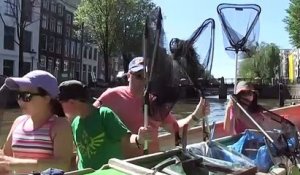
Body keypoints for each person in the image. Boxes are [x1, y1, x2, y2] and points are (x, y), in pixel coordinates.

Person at [93, 56, 210, 158]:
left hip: (155, 162)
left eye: (146, 76)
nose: (143, 81)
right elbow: (87, 117)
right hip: (128, 166)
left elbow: (175, 129)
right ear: (129, 76)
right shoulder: (112, 96)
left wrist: (196, 115)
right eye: (139, 76)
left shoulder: (155, 102)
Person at [58, 80, 153, 170]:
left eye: (61, 104)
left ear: (72, 102)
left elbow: (126, 140)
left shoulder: (104, 115)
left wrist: (139, 139)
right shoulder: (75, 123)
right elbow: (80, 153)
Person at [0, 70, 73, 174]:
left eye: (27, 96)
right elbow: (5, 158)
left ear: (46, 98)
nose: (20, 101)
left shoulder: (60, 125)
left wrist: (15, 164)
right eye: (19, 95)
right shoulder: (18, 122)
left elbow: (62, 164)